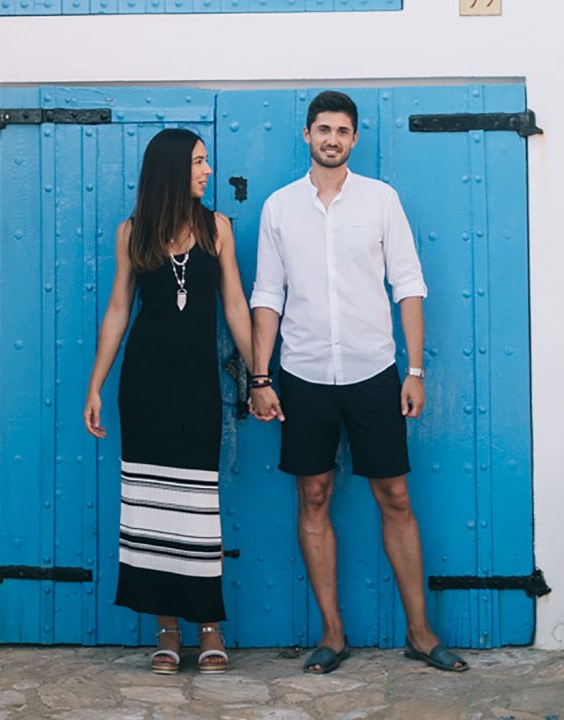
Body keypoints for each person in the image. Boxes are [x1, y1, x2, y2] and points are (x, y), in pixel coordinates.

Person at [249, 90, 468, 675]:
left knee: (394, 495)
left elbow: (409, 285)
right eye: (323, 128)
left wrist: (415, 370)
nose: (332, 138)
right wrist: (260, 376)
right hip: (303, 374)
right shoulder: (279, 208)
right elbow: (268, 296)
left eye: (342, 130)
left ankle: (421, 634)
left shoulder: (381, 201)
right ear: (306, 135)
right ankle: (333, 634)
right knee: (313, 494)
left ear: (354, 138)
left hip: (375, 372)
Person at [84, 128, 253, 675]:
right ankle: (165, 629)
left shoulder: (218, 229)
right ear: (174, 170)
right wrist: (96, 385)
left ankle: (208, 626)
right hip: (145, 385)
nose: (207, 171)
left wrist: (261, 375)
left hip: (197, 386)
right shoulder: (133, 233)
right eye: (199, 163)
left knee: (197, 509)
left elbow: (235, 308)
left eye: (206, 162)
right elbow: (117, 310)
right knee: (150, 507)